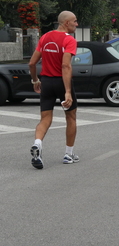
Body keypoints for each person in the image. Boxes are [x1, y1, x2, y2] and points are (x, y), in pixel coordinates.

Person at [28, 11, 79, 169]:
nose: (76, 24)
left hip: (47, 82)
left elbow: (31, 63)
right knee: (70, 118)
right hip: (61, 82)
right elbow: (65, 65)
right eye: (75, 21)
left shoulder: (45, 37)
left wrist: (35, 80)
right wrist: (68, 91)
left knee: (45, 119)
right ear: (66, 23)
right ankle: (68, 154)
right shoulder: (69, 40)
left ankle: (37, 144)